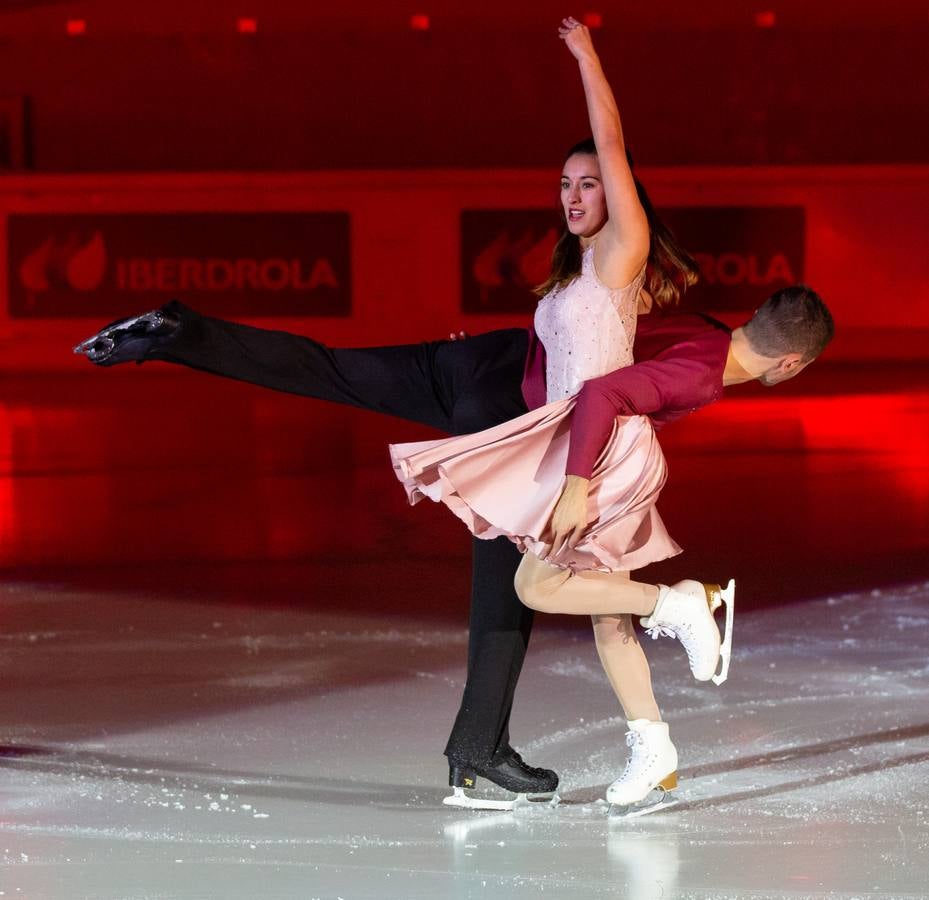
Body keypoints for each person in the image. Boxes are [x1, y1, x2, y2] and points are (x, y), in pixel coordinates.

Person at [387, 19, 832, 814]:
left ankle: (680, 607)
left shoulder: (633, 268)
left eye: (588, 182)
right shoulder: (626, 296)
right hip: (592, 446)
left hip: (598, 452)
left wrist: (587, 57)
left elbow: (600, 387)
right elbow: (581, 373)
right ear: (790, 361)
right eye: (567, 184)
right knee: (601, 614)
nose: (575, 194)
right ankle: (654, 749)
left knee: (538, 584)